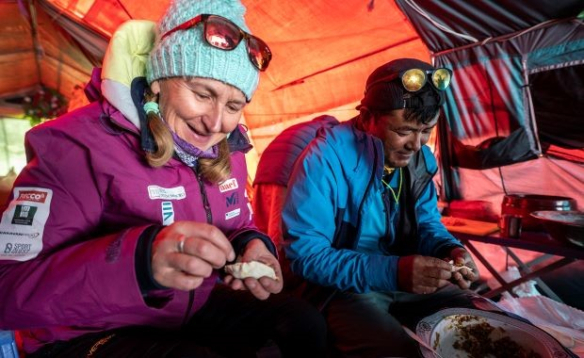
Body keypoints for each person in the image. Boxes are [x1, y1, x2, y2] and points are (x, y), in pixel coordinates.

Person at [0, 0, 327, 357]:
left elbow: (239, 220)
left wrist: (250, 244)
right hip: (84, 332)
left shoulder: (227, 150)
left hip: (184, 311)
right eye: (203, 94)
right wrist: (140, 262)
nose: (216, 123)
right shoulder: (76, 147)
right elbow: (7, 289)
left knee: (302, 323)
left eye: (234, 106)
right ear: (158, 82)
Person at [281, 58, 481, 357]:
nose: (416, 144)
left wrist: (448, 250)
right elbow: (306, 255)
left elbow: (427, 224)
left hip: (399, 276)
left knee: (475, 327)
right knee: (397, 351)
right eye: (404, 131)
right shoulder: (324, 159)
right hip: (343, 287)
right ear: (368, 117)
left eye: (426, 130)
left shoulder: (421, 160)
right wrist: (393, 272)